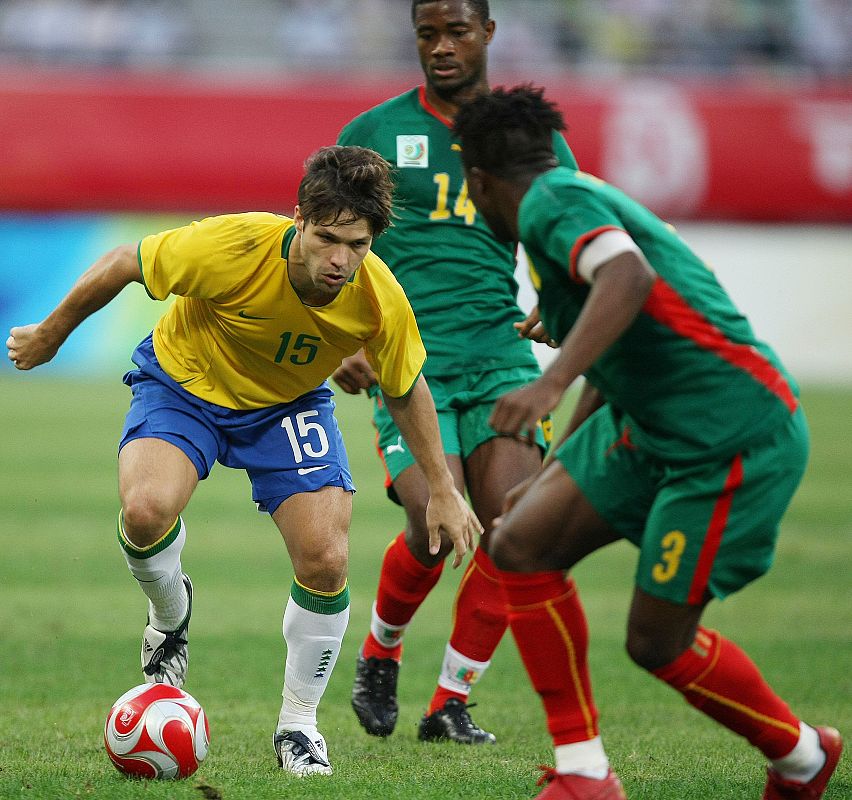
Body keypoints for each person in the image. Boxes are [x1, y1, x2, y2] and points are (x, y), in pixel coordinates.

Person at [6, 145, 482, 778]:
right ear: (300, 221)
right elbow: (125, 262)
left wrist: (443, 490)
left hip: (286, 405)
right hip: (185, 386)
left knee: (327, 558)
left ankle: (299, 727)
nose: (341, 259)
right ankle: (171, 617)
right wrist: (51, 333)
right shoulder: (234, 245)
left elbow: (406, 387)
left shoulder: (378, 299)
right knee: (145, 511)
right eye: (327, 238)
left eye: (359, 244)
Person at [452, 85, 843, 799]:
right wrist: (560, 462)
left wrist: (549, 384)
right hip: (649, 425)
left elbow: (628, 278)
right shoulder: (570, 203)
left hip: (729, 438)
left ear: (478, 181)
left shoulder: (547, 204)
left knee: (655, 643)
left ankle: (802, 757)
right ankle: (584, 774)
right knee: (518, 539)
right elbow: (620, 341)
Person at [332, 0, 578, 744]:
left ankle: (450, 703)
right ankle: (380, 653)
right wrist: (339, 334)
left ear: (489, 33)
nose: (441, 47)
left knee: (512, 529)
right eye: (427, 34)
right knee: (433, 527)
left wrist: (560, 298)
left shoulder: (526, 138)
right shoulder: (374, 134)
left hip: (500, 356)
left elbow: (570, 220)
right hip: (407, 359)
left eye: (457, 32)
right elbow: (323, 240)